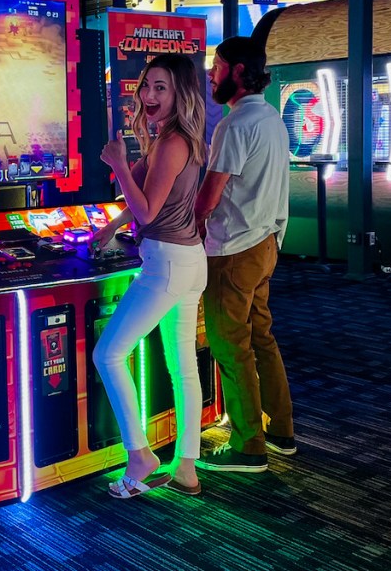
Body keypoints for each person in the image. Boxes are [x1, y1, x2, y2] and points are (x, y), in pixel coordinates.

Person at [91, 52, 209, 499]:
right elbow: (140, 201)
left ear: (180, 93)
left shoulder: (173, 142)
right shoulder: (179, 138)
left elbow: (147, 208)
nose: (149, 95)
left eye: (161, 87)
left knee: (109, 355)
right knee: (182, 369)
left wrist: (119, 163)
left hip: (167, 263)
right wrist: (111, 226)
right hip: (188, 259)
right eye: (146, 86)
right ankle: (187, 467)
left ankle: (139, 454)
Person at [192, 36, 295, 474]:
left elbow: (209, 197)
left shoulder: (233, 125)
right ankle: (280, 430)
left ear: (237, 70)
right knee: (261, 339)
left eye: (216, 66)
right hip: (265, 244)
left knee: (229, 345)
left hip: (232, 250)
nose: (210, 75)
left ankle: (248, 445)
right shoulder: (270, 117)